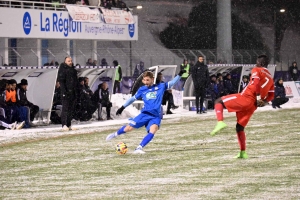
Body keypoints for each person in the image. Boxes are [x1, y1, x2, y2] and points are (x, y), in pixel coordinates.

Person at [105, 69, 186, 154]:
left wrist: (180, 74)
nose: (146, 82)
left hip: (155, 116)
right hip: (145, 114)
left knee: (153, 130)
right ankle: (114, 134)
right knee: (128, 128)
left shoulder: (161, 86)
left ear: (152, 79)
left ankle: (139, 148)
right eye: (144, 80)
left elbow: (172, 83)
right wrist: (122, 107)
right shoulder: (142, 89)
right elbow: (132, 99)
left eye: (148, 80)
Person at [209, 55, 274, 159]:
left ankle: (220, 122)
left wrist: (257, 97)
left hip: (246, 98)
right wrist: (264, 101)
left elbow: (256, 83)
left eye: (257, 62)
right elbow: (271, 95)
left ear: (261, 63)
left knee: (219, 101)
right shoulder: (270, 78)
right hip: (253, 106)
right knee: (240, 127)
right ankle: (243, 152)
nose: (255, 64)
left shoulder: (257, 70)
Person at [57, 56, 78, 131]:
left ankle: (69, 124)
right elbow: (61, 82)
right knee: (65, 109)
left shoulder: (73, 71)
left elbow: (76, 82)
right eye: (69, 61)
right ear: (65, 62)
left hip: (73, 93)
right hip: (66, 93)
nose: (70, 62)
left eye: (71, 61)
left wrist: (76, 91)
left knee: (71, 110)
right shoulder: (62, 70)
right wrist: (64, 92)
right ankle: (64, 125)